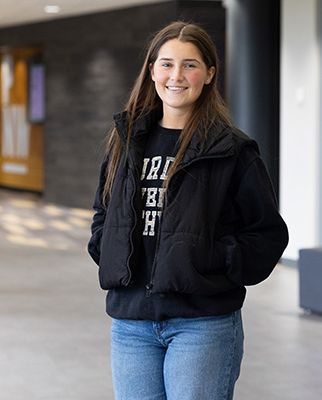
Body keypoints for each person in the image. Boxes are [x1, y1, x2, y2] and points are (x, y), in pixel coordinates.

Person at [88, 21, 289, 400]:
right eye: (166, 64)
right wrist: (107, 249)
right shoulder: (126, 139)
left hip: (202, 323)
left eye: (190, 65)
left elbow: (267, 234)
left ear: (209, 74)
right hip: (131, 322)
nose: (176, 76)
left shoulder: (232, 149)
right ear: (151, 71)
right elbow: (103, 211)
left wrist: (211, 258)